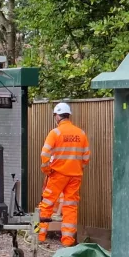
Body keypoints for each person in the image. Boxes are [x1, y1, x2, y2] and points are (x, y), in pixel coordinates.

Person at [38, 102, 90, 246]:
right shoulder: (81, 133)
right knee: (70, 207)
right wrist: (78, 168)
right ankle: (67, 241)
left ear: (57, 116)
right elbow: (86, 158)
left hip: (58, 175)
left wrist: (47, 170)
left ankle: (40, 237)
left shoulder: (55, 133)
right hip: (75, 176)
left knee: (47, 203)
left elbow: (44, 155)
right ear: (68, 115)